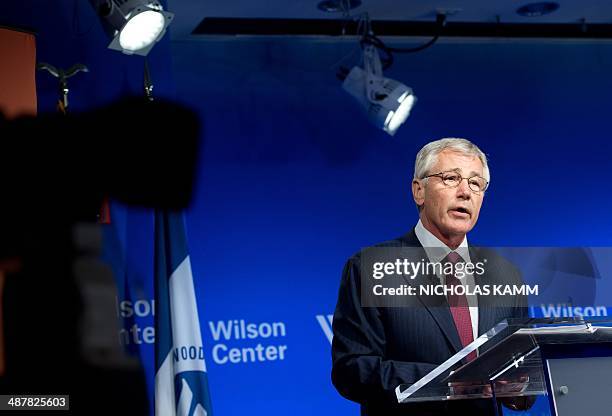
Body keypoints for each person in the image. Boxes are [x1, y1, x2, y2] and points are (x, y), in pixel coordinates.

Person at [331, 138, 529, 415]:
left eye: (476, 183)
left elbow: (522, 371)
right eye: (451, 178)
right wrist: (449, 381)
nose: (465, 192)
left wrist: (520, 390)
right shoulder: (370, 267)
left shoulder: (506, 274)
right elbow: (351, 370)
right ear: (419, 191)